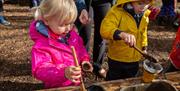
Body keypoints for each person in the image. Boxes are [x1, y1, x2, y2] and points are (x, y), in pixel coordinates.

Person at [29, 0, 93, 88]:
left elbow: (80, 49)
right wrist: (63, 72)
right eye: (63, 24)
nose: (68, 28)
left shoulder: (71, 35)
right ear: (46, 20)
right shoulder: (42, 46)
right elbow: (40, 70)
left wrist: (84, 60)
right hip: (57, 86)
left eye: (70, 23)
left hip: (76, 83)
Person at [100, 0, 153, 80]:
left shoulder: (145, 14)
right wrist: (121, 34)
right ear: (130, 2)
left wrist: (144, 47)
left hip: (134, 59)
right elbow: (105, 29)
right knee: (114, 82)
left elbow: (143, 31)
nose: (143, 7)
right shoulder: (117, 12)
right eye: (140, 3)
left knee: (130, 80)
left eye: (147, 4)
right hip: (117, 58)